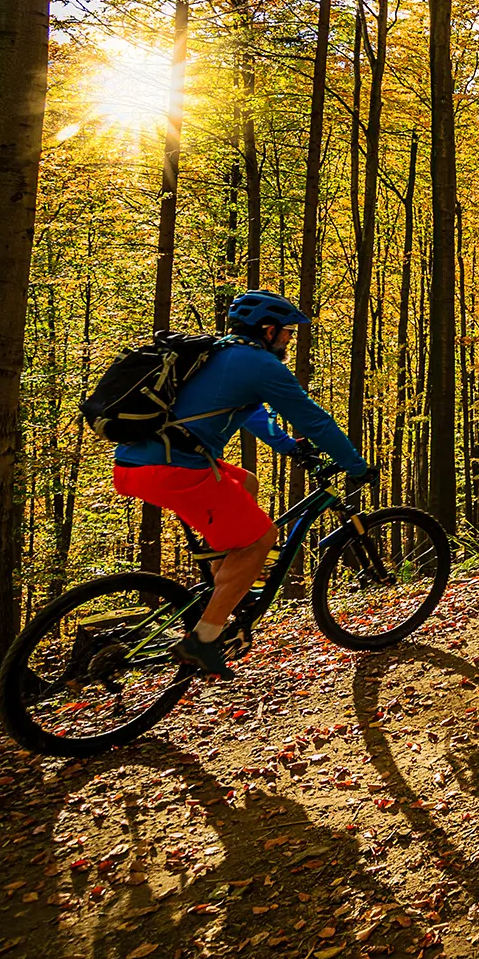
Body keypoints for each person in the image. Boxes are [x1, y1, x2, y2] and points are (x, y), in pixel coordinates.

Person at [113, 290, 373, 679]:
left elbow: (251, 415)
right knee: (261, 538)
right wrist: (355, 464)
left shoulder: (218, 353)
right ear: (267, 330)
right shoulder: (259, 364)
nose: (288, 340)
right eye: (286, 333)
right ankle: (203, 641)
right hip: (174, 469)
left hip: (138, 463)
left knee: (245, 482)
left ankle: (225, 587)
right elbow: (314, 420)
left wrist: (288, 448)